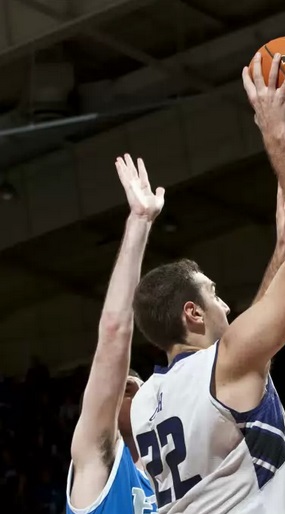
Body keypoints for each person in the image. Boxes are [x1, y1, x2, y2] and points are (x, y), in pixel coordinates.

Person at [131, 52, 285, 514]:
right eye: (214, 294)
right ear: (192, 313)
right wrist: (277, 135)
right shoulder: (225, 367)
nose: (226, 306)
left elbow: (250, 341)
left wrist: (282, 250)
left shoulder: (145, 402)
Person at [66, 154, 163, 514]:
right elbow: (113, 333)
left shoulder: (174, 480)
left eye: (139, 389)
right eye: (128, 390)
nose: (138, 396)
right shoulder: (96, 459)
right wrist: (139, 222)